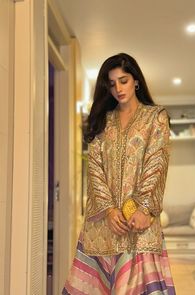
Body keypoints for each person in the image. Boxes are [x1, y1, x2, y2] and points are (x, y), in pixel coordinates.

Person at [62, 53, 176, 295]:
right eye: (111, 84)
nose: (118, 88)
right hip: (104, 224)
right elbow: (94, 168)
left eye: (123, 80)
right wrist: (109, 210)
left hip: (139, 223)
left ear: (136, 80)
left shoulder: (155, 117)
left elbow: (156, 164)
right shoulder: (102, 120)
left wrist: (143, 208)